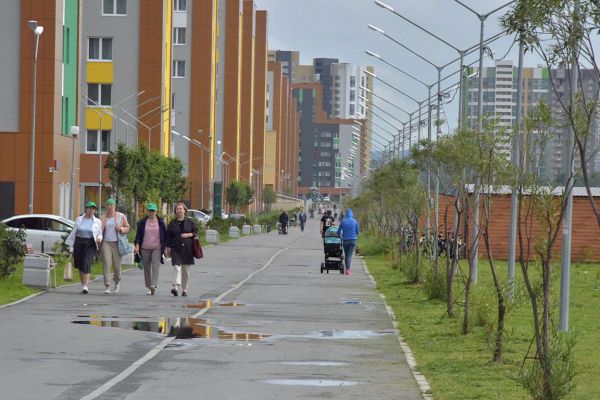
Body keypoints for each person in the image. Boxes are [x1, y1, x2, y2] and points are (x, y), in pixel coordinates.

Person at [65, 201, 103, 294]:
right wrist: (71, 248)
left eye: (93, 209)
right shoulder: (79, 219)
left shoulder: (97, 221)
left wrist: (99, 238)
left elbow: (100, 234)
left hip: (90, 243)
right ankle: (83, 285)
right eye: (89, 208)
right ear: (86, 209)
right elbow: (73, 234)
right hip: (79, 242)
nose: (91, 210)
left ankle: (86, 285)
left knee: (87, 262)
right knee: (80, 264)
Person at [165, 202, 198, 297]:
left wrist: (187, 234)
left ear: (184, 211)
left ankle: (184, 289)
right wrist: (167, 248)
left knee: (185, 271)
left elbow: (195, 233)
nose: (179, 210)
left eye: (181, 209)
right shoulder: (172, 223)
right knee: (176, 267)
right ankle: (175, 287)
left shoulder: (190, 222)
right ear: (175, 211)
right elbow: (168, 236)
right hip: (176, 248)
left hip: (188, 248)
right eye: (177, 209)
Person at [134, 202, 167, 295]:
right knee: (147, 268)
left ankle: (153, 284)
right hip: (145, 248)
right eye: (150, 211)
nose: (152, 212)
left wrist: (165, 247)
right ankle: (149, 287)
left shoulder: (160, 222)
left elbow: (164, 235)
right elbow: (138, 235)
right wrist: (137, 245)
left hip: (157, 247)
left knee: (155, 266)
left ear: (156, 211)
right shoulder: (143, 222)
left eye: (153, 211)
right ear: (148, 211)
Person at [99, 198, 130, 294]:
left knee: (117, 266)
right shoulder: (102, 217)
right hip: (106, 243)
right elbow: (99, 230)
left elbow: (128, 227)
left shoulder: (121, 216)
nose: (110, 207)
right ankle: (107, 286)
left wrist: (120, 229)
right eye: (108, 205)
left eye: (112, 205)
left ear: (115, 206)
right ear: (106, 206)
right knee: (106, 265)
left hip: (117, 243)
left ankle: (117, 282)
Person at [337, 208, 360, 275]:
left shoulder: (343, 221)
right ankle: (347, 270)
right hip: (353, 241)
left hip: (345, 241)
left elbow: (338, 232)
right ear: (352, 214)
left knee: (347, 255)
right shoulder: (355, 221)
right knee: (349, 255)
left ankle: (347, 269)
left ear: (346, 214)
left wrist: (340, 235)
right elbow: (357, 232)